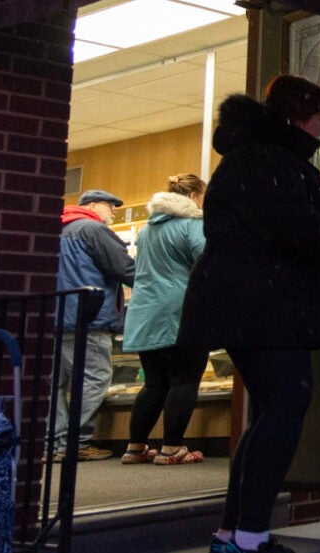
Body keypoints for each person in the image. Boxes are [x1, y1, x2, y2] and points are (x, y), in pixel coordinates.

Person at [180, 76, 320, 553]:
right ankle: (248, 537)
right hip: (265, 305)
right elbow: (301, 231)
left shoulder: (252, 157)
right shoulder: (270, 162)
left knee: (269, 413)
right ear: (295, 116)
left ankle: (233, 532)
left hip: (250, 303)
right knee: (284, 408)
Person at [122, 175, 209, 466]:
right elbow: (207, 261)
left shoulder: (148, 229)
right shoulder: (192, 225)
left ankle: (135, 447)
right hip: (179, 310)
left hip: (145, 312)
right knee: (184, 380)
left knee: (155, 383)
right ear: (196, 195)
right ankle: (171, 448)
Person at [51, 188, 136, 462]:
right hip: (89, 318)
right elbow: (125, 269)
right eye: (111, 206)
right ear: (94, 205)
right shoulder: (93, 230)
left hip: (57, 317)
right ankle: (76, 443)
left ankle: (53, 444)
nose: (114, 212)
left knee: (57, 385)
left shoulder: (59, 230)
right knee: (94, 379)